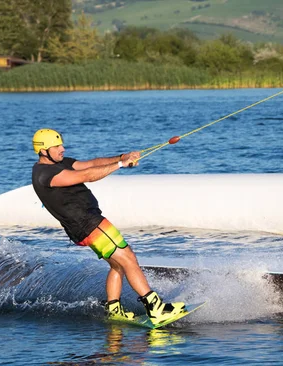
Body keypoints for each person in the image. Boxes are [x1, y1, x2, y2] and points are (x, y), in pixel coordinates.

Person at [31, 128, 185, 324]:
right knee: (128, 258)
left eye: (61, 144)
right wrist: (120, 164)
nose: (62, 148)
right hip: (90, 224)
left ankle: (114, 309)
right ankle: (156, 308)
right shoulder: (44, 174)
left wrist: (122, 156)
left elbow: (92, 164)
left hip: (85, 225)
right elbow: (85, 175)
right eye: (57, 146)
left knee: (117, 264)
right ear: (43, 150)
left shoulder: (60, 163)